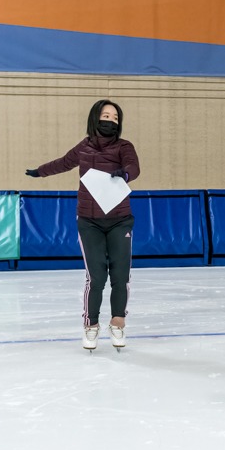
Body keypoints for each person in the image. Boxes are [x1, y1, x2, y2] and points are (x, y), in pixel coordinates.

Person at [26, 100, 141, 352]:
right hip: (89, 222)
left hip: (120, 220)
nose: (110, 120)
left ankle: (118, 322)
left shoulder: (124, 146)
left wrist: (125, 173)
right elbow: (63, 162)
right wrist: (39, 172)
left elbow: (134, 166)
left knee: (120, 275)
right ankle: (91, 325)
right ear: (94, 118)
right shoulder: (84, 147)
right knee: (96, 276)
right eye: (105, 115)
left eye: (115, 117)